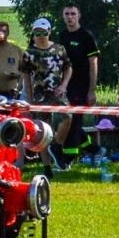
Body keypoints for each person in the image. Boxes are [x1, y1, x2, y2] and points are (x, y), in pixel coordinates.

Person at [20, 16, 71, 169]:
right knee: (43, 129)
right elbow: (26, 77)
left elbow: (68, 67)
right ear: (33, 34)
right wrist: (29, 100)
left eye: (43, 32)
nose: (41, 36)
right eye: (37, 33)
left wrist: (64, 85)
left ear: (49, 32)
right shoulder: (29, 53)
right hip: (39, 94)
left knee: (68, 118)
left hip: (58, 92)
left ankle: (56, 146)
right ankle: (47, 166)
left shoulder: (59, 49)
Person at [56, 4, 99, 158]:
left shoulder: (86, 36)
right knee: (67, 121)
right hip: (63, 86)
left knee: (74, 121)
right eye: (66, 13)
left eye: (73, 13)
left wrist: (92, 90)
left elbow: (93, 64)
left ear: (79, 15)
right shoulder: (61, 36)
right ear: (63, 16)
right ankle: (94, 149)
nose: (70, 17)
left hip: (82, 86)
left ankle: (68, 159)